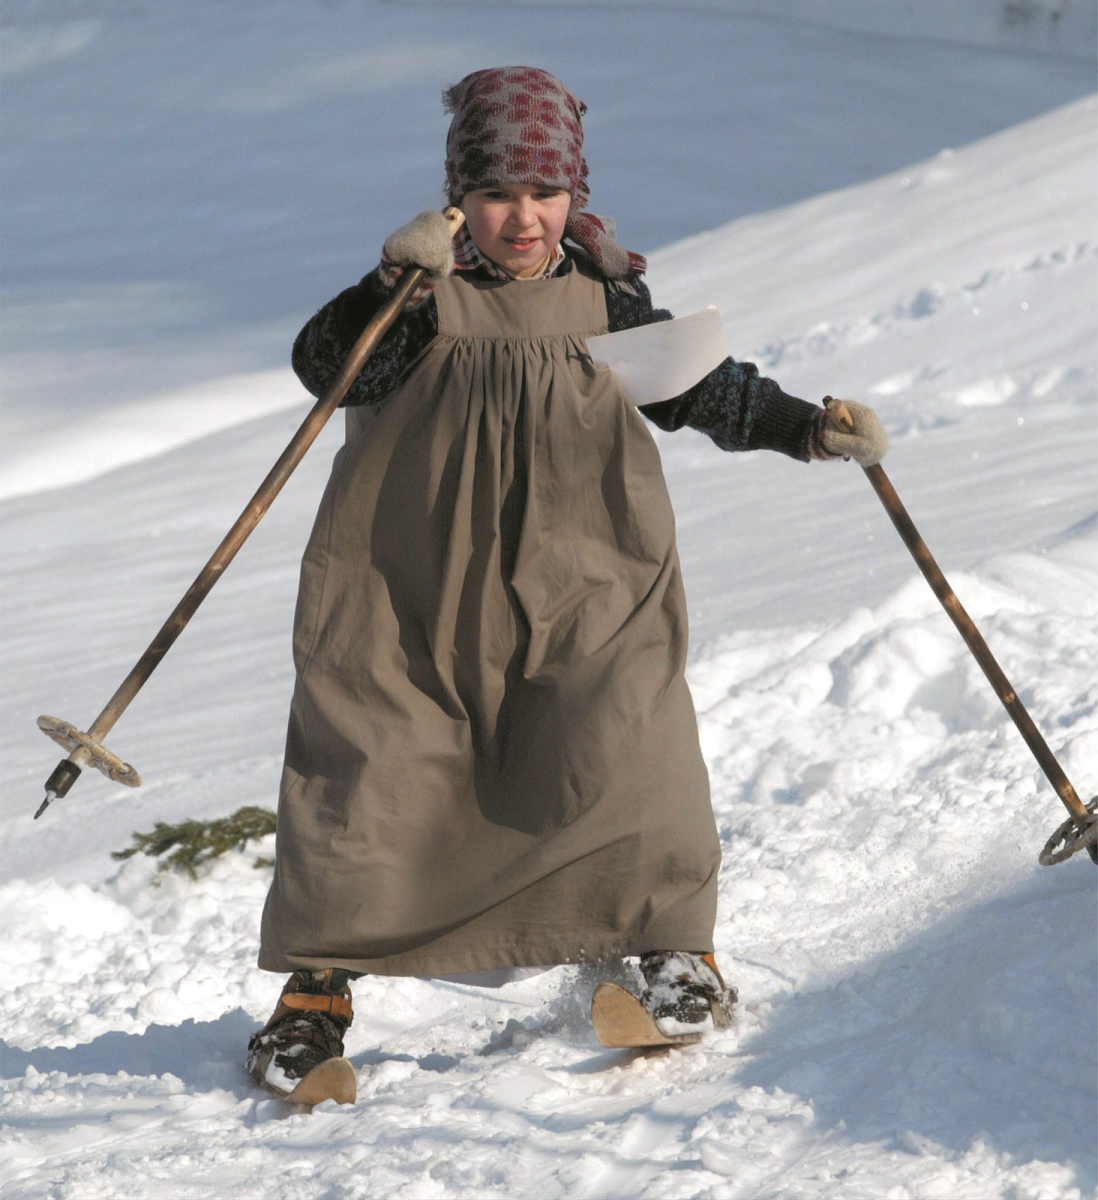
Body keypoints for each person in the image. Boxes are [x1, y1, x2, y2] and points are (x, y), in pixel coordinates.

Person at [247, 66, 886, 1095]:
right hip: (405, 583)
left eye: (545, 195)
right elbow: (331, 369)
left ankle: (675, 954)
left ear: (572, 196)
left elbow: (698, 390)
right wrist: (384, 286)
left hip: (588, 572)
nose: (524, 218)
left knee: (629, 742)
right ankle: (311, 1004)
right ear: (462, 198)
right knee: (374, 771)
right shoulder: (416, 294)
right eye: (500, 194)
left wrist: (804, 428)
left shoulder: (607, 294)